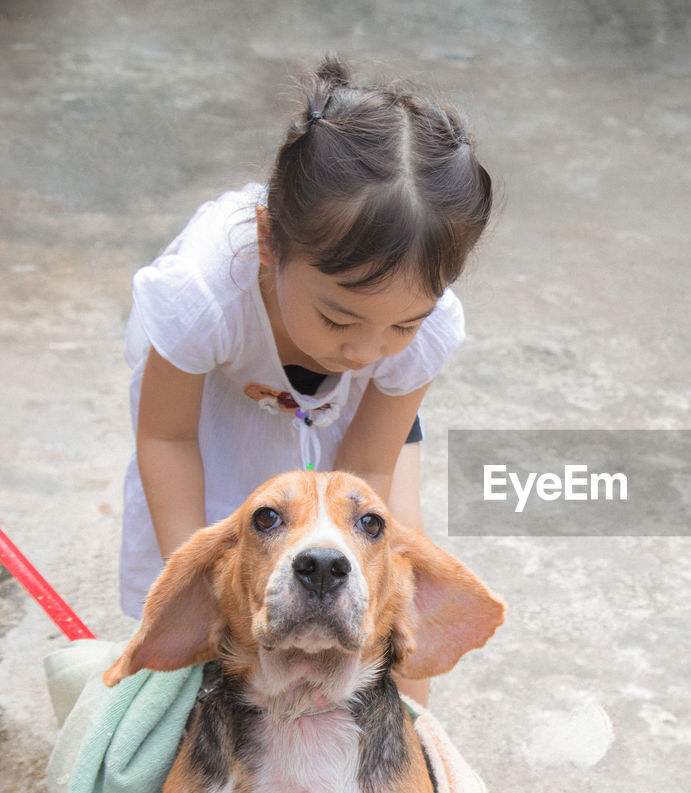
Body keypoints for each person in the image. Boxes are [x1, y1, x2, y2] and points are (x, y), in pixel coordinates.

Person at [119, 55, 493, 704]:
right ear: (268, 241)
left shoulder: (413, 333)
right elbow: (167, 439)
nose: (366, 350)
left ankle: (409, 738)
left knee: (392, 603)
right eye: (339, 316)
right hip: (216, 407)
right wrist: (211, 588)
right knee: (210, 629)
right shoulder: (203, 293)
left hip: (359, 426)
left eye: (401, 326)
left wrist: (366, 602)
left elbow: (368, 473)